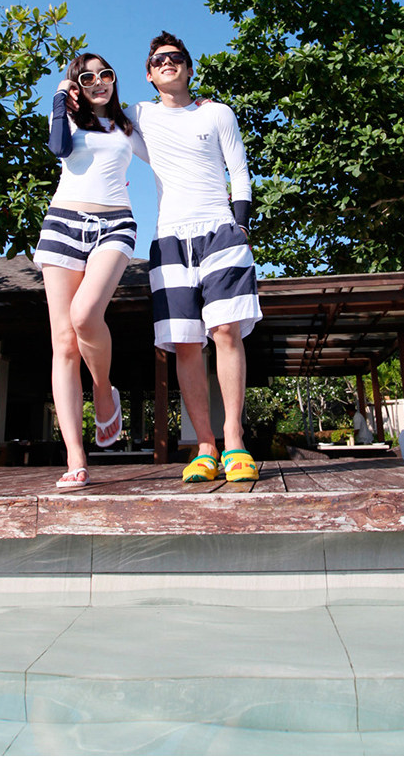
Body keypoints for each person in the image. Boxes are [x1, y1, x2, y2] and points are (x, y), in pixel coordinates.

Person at [128, 31, 263, 483]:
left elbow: (239, 170)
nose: (167, 63)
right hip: (169, 236)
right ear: (149, 75)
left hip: (220, 229)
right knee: (186, 343)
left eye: (176, 57)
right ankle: (205, 446)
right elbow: (93, 111)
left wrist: (241, 225)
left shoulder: (217, 112)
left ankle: (234, 441)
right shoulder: (138, 116)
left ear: (188, 68)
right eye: (158, 60)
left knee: (225, 331)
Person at [32, 53, 147, 489]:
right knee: (63, 343)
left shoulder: (129, 124)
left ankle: (102, 390)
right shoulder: (65, 119)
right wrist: (60, 97)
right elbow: (58, 148)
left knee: (84, 316)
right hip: (63, 223)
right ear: (76, 85)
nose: (99, 82)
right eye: (87, 77)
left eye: (106, 74)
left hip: (115, 223)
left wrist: (197, 107)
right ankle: (76, 457)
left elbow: (170, 150)